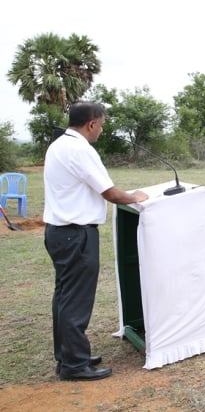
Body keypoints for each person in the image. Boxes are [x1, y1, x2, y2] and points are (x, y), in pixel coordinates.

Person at [43, 102, 149, 381]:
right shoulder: (79, 149)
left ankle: (69, 356)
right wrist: (135, 196)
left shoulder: (59, 144)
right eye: (101, 125)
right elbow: (110, 193)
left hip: (59, 232)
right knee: (76, 300)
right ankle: (75, 365)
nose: (101, 130)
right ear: (91, 124)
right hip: (75, 233)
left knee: (65, 297)